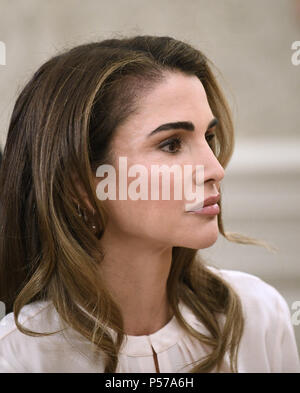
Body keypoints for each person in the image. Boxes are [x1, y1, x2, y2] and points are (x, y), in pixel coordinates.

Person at [0, 35, 299, 373]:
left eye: (209, 138)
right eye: (172, 144)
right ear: (81, 185)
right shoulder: (18, 358)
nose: (215, 169)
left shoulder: (257, 316)